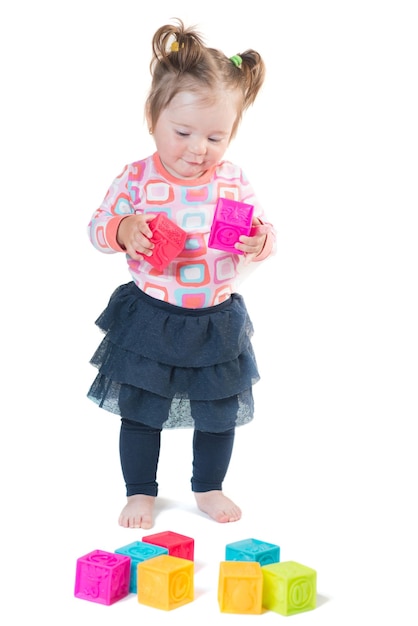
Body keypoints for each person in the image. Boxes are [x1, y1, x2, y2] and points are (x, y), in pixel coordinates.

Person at [87, 18, 276, 529]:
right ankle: (140, 491)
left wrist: (261, 239)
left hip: (215, 319)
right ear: (153, 118)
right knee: (141, 410)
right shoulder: (137, 177)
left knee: (218, 413)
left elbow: (262, 232)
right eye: (184, 132)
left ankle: (209, 486)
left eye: (217, 136)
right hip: (152, 317)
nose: (199, 149)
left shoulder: (233, 179)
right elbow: (97, 226)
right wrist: (125, 228)